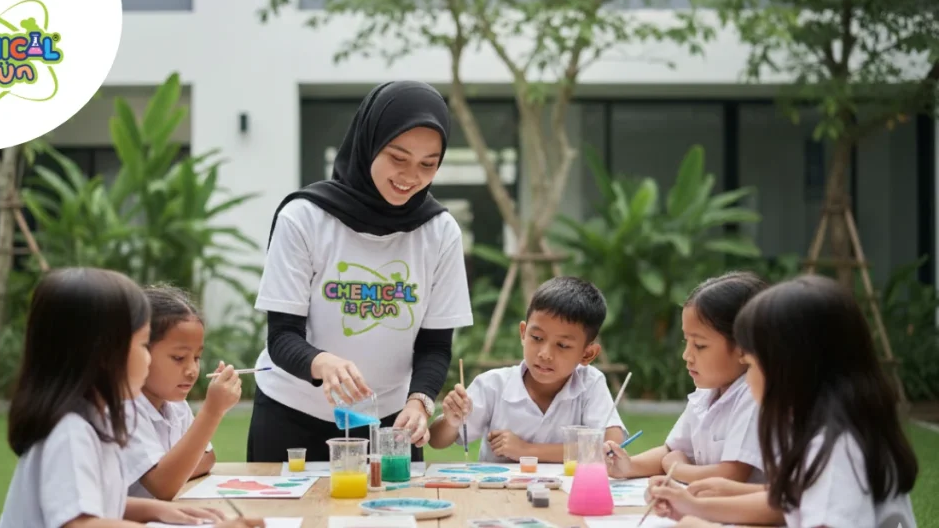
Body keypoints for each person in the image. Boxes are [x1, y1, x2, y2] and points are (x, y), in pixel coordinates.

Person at [246, 80, 474, 463]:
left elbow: (435, 346)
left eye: (427, 165)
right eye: (398, 158)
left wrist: (419, 402)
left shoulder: (439, 231)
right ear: (369, 143)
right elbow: (282, 336)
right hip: (292, 413)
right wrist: (323, 362)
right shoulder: (304, 217)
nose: (410, 176)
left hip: (389, 421)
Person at [0, 268, 263, 528]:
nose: (146, 358)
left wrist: (161, 510)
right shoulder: (71, 431)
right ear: (103, 354)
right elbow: (80, 523)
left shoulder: (99, 421)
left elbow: (104, 504)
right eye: (141, 344)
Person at [647, 275, 919, 528]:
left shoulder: (836, 450)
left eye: (751, 364)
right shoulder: (826, 432)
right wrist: (694, 506)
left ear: (790, 368)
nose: (748, 377)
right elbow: (791, 501)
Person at [429, 276, 626, 462]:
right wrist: (451, 422)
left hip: (565, 496)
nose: (545, 354)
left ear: (587, 354)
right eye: (537, 338)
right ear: (523, 333)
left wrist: (526, 450)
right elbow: (436, 441)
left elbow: (611, 446)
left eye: (563, 345)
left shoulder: (590, 383)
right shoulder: (492, 385)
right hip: (498, 495)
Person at [604, 272, 767, 484]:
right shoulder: (707, 393)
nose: (687, 356)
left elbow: (730, 475)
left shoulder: (753, 395)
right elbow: (672, 450)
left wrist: (675, 467)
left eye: (699, 345)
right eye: (686, 342)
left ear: (744, 347)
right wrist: (628, 466)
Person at [123, 285, 242, 500]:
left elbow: (208, 458)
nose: (192, 370)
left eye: (196, 358)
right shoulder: (126, 407)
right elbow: (163, 486)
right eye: (179, 358)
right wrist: (212, 411)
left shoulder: (175, 405)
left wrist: (173, 468)